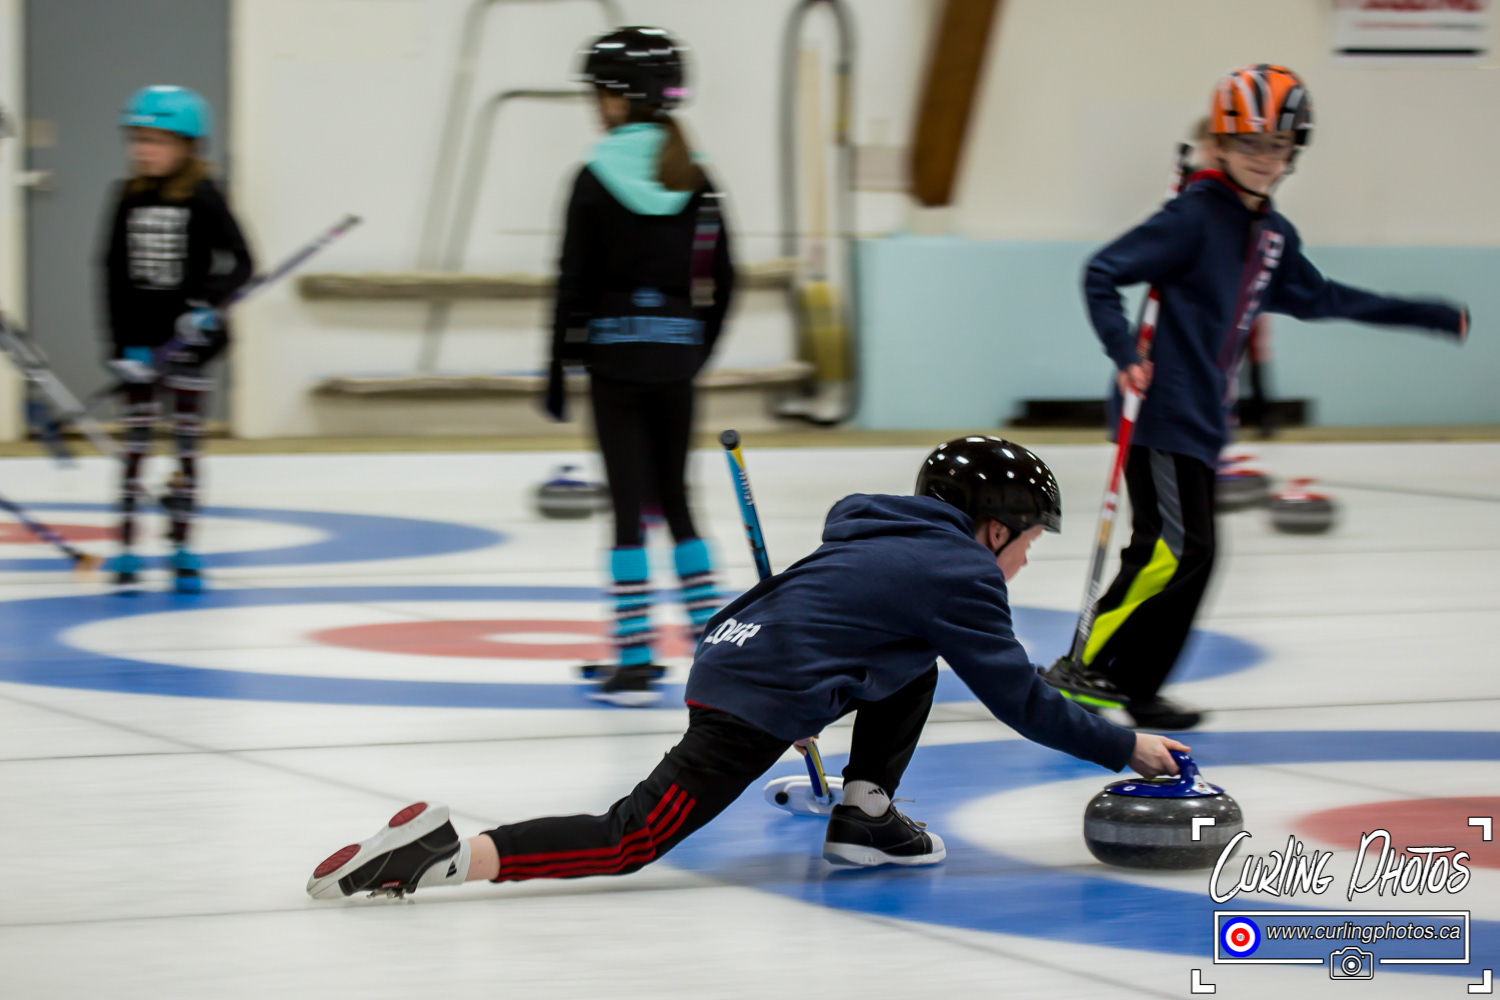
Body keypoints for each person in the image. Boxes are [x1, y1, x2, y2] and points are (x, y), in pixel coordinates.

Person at [306, 436, 1190, 899]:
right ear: (993, 527)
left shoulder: (891, 539)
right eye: (1029, 540)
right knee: (629, 838)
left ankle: (865, 815)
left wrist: (810, 686)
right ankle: (446, 856)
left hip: (742, 655)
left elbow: (849, 626)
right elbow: (1023, 701)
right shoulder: (960, 571)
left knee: (913, 658)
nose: (1026, 559)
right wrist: (1125, 746)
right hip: (758, 692)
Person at [1047, 65, 1469, 729]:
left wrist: (1422, 314)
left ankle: (1134, 682)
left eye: (1278, 146)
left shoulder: (1272, 235)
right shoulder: (1191, 216)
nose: (1265, 159)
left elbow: (1323, 297)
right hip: (1160, 408)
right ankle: (1087, 665)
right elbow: (1102, 272)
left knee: (1192, 553)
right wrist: (1124, 353)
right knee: (1172, 550)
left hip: (1202, 417)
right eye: (1250, 144)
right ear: (1220, 144)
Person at [542, 27, 736, 707]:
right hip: (675, 358)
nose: (595, 106)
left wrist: (557, 365)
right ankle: (721, 652)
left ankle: (633, 657)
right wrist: (696, 346)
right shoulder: (698, 176)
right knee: (679, 501)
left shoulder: (594, 177)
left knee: (627, 509)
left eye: (600, 93)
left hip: (614, 362)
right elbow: (726, 277)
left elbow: (570, 280)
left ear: (623, 98)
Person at [101, 85, 253, 592]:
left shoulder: (204, 196)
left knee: (186, 447)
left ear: (187, 146)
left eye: (157, 142)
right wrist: (119, 346)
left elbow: (243, 262)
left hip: (189, 346)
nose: (144, 150)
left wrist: (207, 304)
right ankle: (126, 547)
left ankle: (183, 547)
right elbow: (111, 274)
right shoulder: (126, 196)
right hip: (142, 346)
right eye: (138, 140)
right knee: (135, 447)